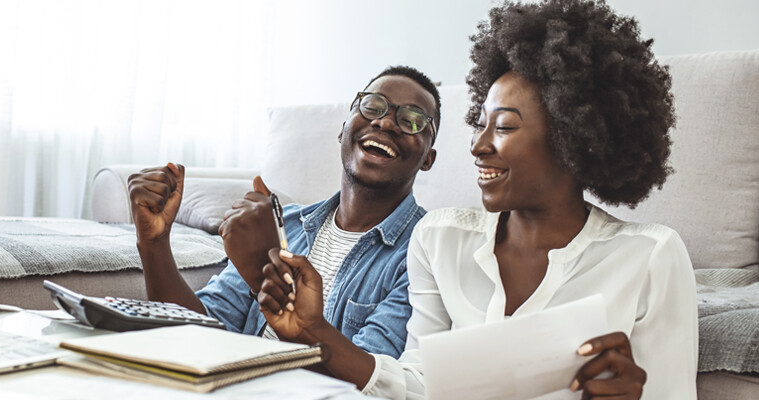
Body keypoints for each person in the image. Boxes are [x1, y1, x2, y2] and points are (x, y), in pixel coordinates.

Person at [256, 0, 698, 398]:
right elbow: (416, 385)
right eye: (479, 124)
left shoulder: (650, 256)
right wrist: (313, 331)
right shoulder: (441, 239)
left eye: (503, 127)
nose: (477, 146)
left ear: (573, 139)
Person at [126, 65, 440, 364]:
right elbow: (197, 331)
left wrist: (261, 273)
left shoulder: (426, 252)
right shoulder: (285, 224)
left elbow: (373, 380)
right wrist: (154, 242)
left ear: (428, 158)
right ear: (344, 127)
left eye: (412, 120)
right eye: (372, 106)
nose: (385, 123)